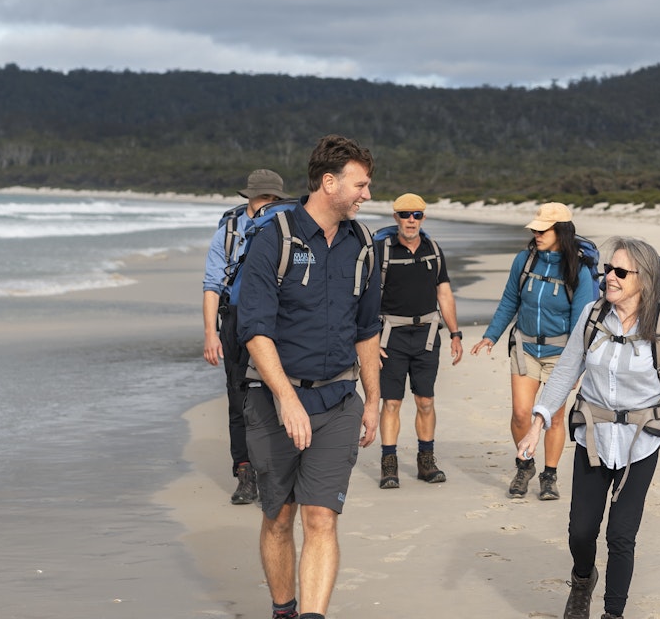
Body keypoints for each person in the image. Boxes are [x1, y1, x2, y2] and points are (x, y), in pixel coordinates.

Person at [517, 236, 660, 619]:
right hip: (592, 435)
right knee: (580, 532)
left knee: (621, 535)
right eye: (608, 269)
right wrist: (537, 423)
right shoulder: (591, 316)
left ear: (645, 279)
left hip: (642, 441)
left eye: (621, 272)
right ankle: (582, 578)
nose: (610, 277)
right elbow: (565, 373)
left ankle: (613, 613)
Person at [235, 134, 382, 619]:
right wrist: (287, 398)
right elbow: (255, 329)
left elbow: (367, 330)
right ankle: (284, 610)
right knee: (278, 517)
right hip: (274, 401)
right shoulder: (274, 237)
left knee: (321, 517)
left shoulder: (363, 245)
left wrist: (374, 400)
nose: (366, 195)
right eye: (360, 185)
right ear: (328, 182)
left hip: (339, 400)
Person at [470, 202, 597, 500]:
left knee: (552, 416)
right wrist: (491, 336)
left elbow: (582, 323)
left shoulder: (578, 269)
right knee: (520, 413)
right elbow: (508, 303)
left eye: (543, 229)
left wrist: (578, 364)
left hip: (561, 353)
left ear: (561, 231)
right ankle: (524, 465)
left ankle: (549, 476)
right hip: (524, 347)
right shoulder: (524, 261)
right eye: (535, 229)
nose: (536, 234)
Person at [202, 168, 289, 506]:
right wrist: (211, 333)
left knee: (279, 393)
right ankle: (245, 474)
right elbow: (212, 286)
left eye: (273, 198)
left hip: (279, 320)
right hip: (235, 321)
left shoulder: (287, 228)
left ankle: (277, 472)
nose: (268, 203)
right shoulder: (228, 232)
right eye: (262, 197)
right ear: (249, 198)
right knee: (239, 400)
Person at [374, 193, 463, 488]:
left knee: (426, 400)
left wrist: (455, 333)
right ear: (395, 217)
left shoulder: (433, 250)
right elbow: (365, 298)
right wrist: (368, 341)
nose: (410, 220)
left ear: (423, 217)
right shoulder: (381, 251)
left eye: (416, 215)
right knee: (392, 402)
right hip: (390, 337)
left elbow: (444, 293)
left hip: (426, 336)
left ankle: (426, 461)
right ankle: (389, 465)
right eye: (405, 214)